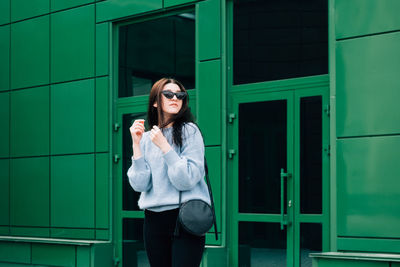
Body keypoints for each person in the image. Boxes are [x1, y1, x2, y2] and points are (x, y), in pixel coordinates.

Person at [127, 78, 210, 267]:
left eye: (180, 95)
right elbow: (140, 185)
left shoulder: (190, 131)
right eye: (168, 94)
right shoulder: (148, 138)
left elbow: (186, 180)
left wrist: (165, 147)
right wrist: (136, 144)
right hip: (153, 219)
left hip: (185, 217)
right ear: (155, 102)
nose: (175, 98)